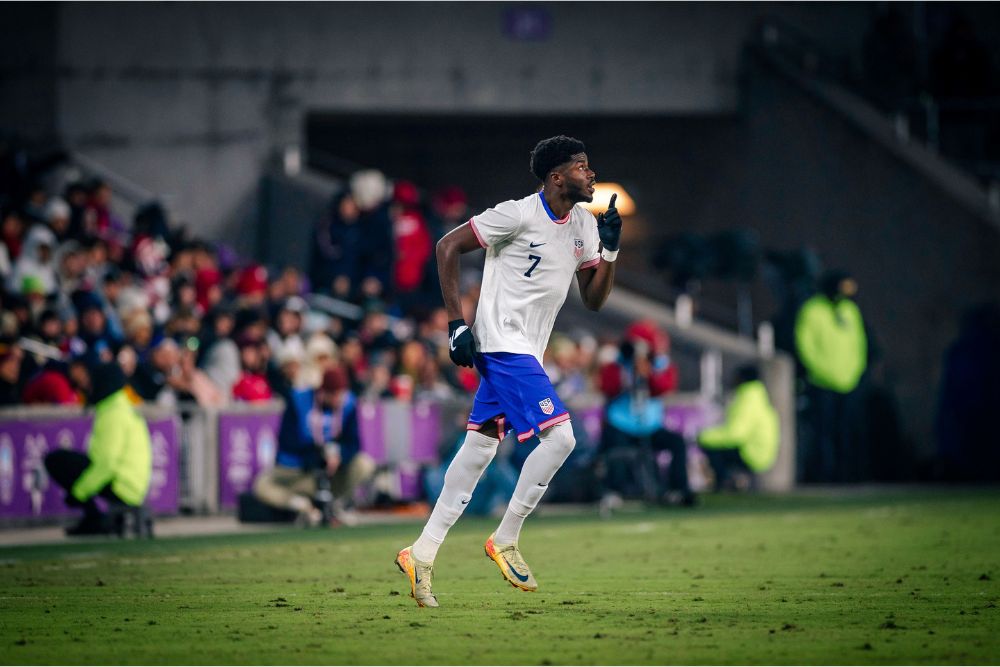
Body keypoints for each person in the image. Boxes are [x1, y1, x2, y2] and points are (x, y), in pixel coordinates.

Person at [395, 135, 622, 607]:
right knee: (560, 439)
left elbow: (595, 301)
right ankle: (506, 537)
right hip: (501, 345)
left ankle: (422, 551)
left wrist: (612, 252)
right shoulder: (517, 214)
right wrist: (457, 324)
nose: (591, 173)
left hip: (527, 353)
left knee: (478, 450)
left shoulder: (582, 223)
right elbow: (446, 247)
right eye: (582, 166)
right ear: (557, 177)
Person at [252, 366, 375, 526]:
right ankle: (302, 506)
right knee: (261, 485)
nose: (339, 400)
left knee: (364, 463)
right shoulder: (299, 401)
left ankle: (334, 505)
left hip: (332, 474)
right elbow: (287, 443)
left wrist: (339, 455)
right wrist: (320, 455)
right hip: (301, 471)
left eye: (341, 395)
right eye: (335, 395)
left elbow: (354, 443)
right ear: (323, 392)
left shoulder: (348, 404)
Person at [43, 362, 152, 535]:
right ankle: (93, 518)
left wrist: (79, 492)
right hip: (133, 484)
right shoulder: (122, 407)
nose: (89, 387)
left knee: (57, 460)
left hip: (121, 485)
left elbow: (106, 464)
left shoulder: (113, 413)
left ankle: (94, 519)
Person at [596, 320, 695, 507]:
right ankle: (613, 491)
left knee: (677, 443)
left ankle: (678, 489)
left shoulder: (660, 364)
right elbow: (607, 387)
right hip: (622, 423)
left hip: (649, 425)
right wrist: (627, 374)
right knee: (615, 448)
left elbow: (663, 388)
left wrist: (648, 373)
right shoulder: (617, 364)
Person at [794, 270, 868, 482]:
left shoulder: (849, 310)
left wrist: (854, 372)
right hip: (821, 383)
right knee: (823, 433)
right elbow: (805, 345)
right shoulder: (812, 310)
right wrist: (821, 371)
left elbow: (859, 344)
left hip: (849, 382)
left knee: (846, 431)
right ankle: (826, 475)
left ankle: (848, 474)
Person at [697, 365, 780, 490]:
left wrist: (704, 437)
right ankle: (730, 481)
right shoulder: (757, 396)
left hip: (752, 453)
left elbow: (736, 434)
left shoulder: (748, 399)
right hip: (760, 451)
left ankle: (723, 482)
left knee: (711, 446)